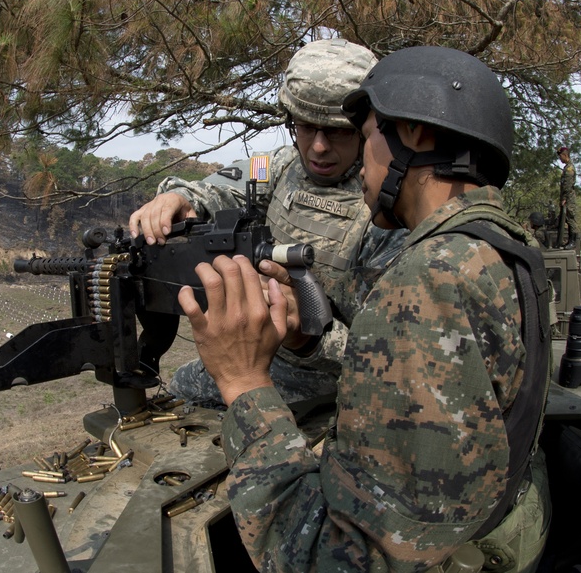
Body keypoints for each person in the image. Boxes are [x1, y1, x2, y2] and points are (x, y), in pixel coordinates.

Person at [178, 46, 552, 572]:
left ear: (414, 135)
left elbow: (330, 561)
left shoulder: (427, 281)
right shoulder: (502, 251)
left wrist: (243, 381)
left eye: (368, 131)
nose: (355, 166)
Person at [129, 38, 379, 407]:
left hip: (331, 382)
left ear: (366, 128)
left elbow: (384, 355)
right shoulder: (279, 166)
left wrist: (308, 339)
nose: (319, 147)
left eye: (337, 131)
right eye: (306, 127)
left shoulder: (383, 205)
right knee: (178, 392)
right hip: (257, 354)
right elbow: (219, 187)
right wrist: (178, 197)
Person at [557, 146, 578, 248]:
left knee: (571, 219)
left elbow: (567, 185)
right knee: (567, 219)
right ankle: (569, 241)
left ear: (565, 155)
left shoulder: (569, 168)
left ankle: (573, 241)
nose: (560, 159)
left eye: (560, 156)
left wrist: (564, 198)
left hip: (569, 198)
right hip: (567, 197)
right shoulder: (566, 167)